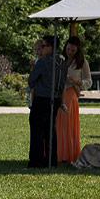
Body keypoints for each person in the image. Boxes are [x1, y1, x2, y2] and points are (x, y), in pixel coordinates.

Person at [55, 33, 91, 164]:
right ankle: (56, 153)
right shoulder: (59, 59)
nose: (69, 52)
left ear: (78, 51)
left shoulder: (82, 62)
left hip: (71, 94)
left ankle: (68, 154)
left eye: (73, 50)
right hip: (58, 92)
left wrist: (78, 82)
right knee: (57, 124)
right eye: (68, 49)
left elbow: (88, 81)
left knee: (68, 124)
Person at [28, 39, 64, 168]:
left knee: (37, 130)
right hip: (55, 99)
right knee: (50, 130)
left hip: (42, 98)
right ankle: (51, 160)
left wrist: (33, 71)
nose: (41, 49)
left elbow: (31, 80)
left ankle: (36, 161)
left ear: (50, 47)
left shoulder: (43, 62)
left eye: (43, 46)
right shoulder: (61, 62)